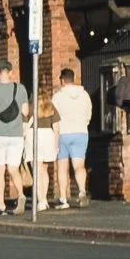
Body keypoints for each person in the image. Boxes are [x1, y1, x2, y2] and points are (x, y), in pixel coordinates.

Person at [0, 62, 31, 214]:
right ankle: (21, 194)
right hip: (16, 134)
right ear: (11, 72)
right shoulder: (21, 88)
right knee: (13, 168)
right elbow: (25, 112)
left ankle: (1, 203)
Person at [52, 66, 93, 208]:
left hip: (63, 133)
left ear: (62, 80)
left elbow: (54, 117)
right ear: (73, 79)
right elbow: (89, 113)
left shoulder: (57, 97)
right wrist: (83, 124)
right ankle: (82, 191)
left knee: (62, 167)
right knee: (79, 165)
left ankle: (63, 198)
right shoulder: (85, 95)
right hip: (81, 131)